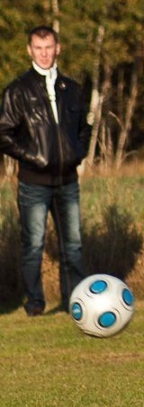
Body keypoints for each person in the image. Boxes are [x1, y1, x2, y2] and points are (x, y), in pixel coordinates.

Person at [0, 25, 91, 316]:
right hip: (33, 182)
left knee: (73, 246)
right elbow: (3, 134)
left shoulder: (72, 89)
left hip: (68, 181)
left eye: (48, 47)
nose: (44, 53)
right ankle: (35, 305)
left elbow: (84, 130)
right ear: (29, 50)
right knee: (33, 246)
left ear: (58, 48)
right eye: (38, 48)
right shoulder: (17, 91)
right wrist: (34, 157)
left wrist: (77, 154)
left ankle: (74, 302)